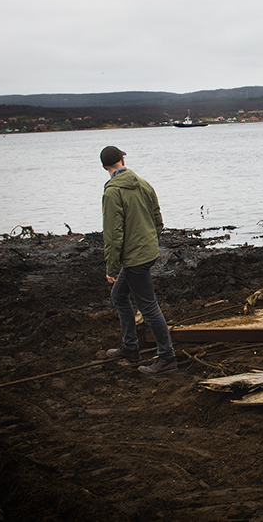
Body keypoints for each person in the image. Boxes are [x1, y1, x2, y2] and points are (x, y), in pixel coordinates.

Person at [100, 145, 177, 375]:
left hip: (135, 257)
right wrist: (151, 243)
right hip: (146, 252)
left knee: (149, 306)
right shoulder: (144, 183)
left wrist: (112, 268)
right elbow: (158, 220)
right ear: (123, 160)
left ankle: (167, 358)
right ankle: (130, 348)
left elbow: (113, 234)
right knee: (119, 295)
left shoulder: (112, 192)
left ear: (105, 167)